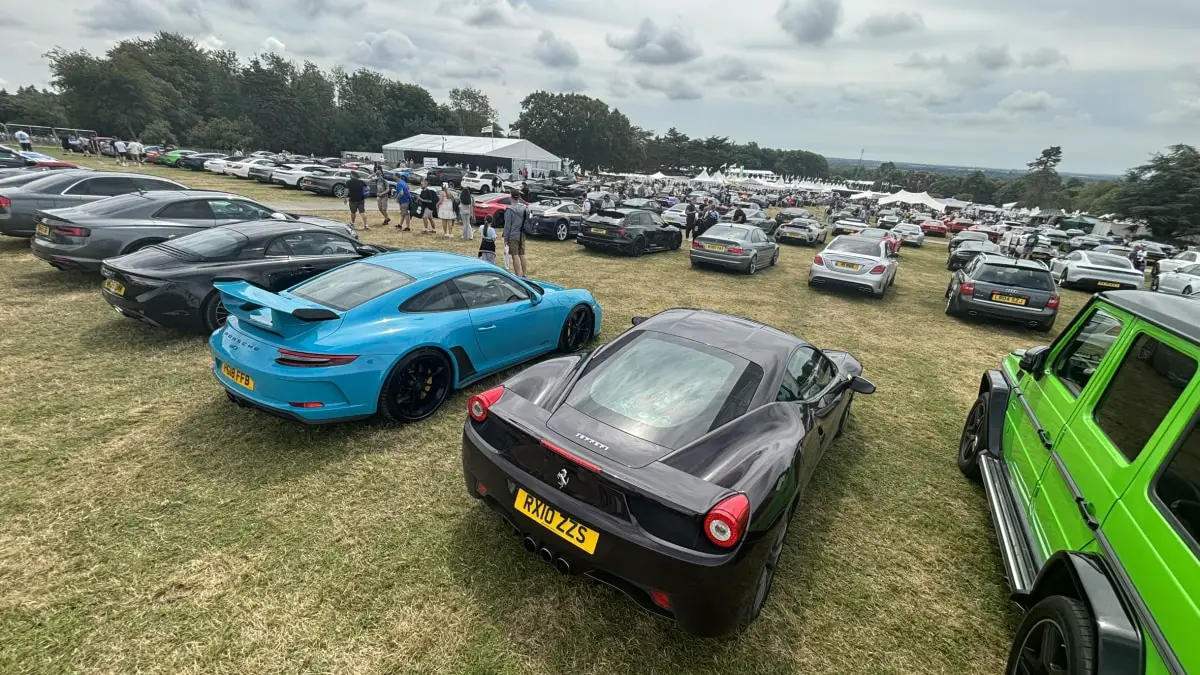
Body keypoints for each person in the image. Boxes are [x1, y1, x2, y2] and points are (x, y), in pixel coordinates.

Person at [504, 190, 530, 277]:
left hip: (513, 235)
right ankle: (524, 274)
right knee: (522, 254)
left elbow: (507, 226)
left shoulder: (509, 210)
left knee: (515, 255)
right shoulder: (525, 208)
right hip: (522, 234)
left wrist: (506, 238)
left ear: (511, 197)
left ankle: (518, 275)